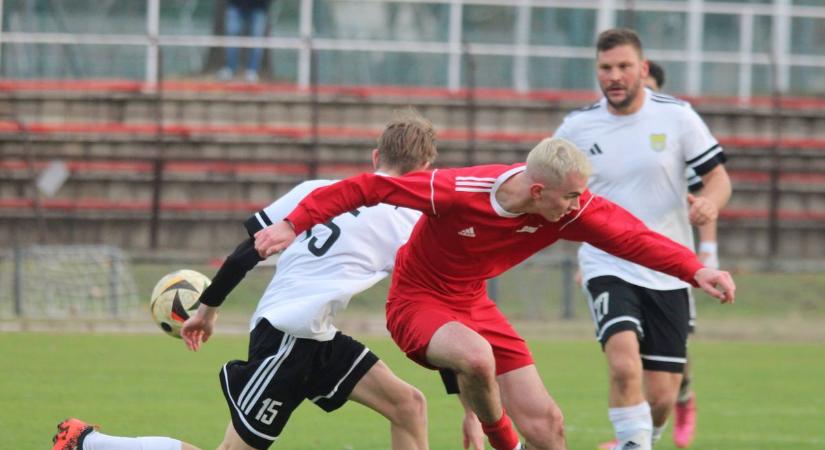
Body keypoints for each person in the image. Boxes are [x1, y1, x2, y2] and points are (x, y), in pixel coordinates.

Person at [253, 136, 736, 450]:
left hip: (473, 304)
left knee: (550, 427)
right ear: (538, 190)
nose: (579, 205)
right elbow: (365, 188)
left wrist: (696, 270)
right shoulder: (458, 190)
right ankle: (505, 443)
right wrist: (295, 223)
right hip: (416, 302)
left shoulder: (570, 208)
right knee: (478, 359)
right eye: (570, 196)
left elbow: (633, 236)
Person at [51, 109, 438, 450]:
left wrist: (208, 309)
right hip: (288, 338)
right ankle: (87, 444)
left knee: (408, 405)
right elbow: (433, 302)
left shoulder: (316, 190)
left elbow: (246, 252)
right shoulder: (409, 224)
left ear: (375, 157)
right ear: (425, 171)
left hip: (314, 335)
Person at [553, 29, 731, 450]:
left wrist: (710, 203)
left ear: (643, 69)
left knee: (663, 396)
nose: (614, 76)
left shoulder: (678, 116)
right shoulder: (576, 127)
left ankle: (636, 442)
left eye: (623, 67)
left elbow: (718, 178)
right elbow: (543, 184)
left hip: (668, 265)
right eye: (605, 68)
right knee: (623, 365)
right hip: (607, 263)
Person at [645, 59, 717, 449]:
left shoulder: (672, 142)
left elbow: (704, 199)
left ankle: (684, 400)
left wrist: (707, 252)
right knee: (625, 355)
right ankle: (634, 437)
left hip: (672, 267)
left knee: (674, 359)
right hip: (622, 265)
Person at [217, 0, 272, 83]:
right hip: (236, 4)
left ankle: (252, 71)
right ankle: (230, 68)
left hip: (259, 6)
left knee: (256, 39)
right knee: (232, 36)